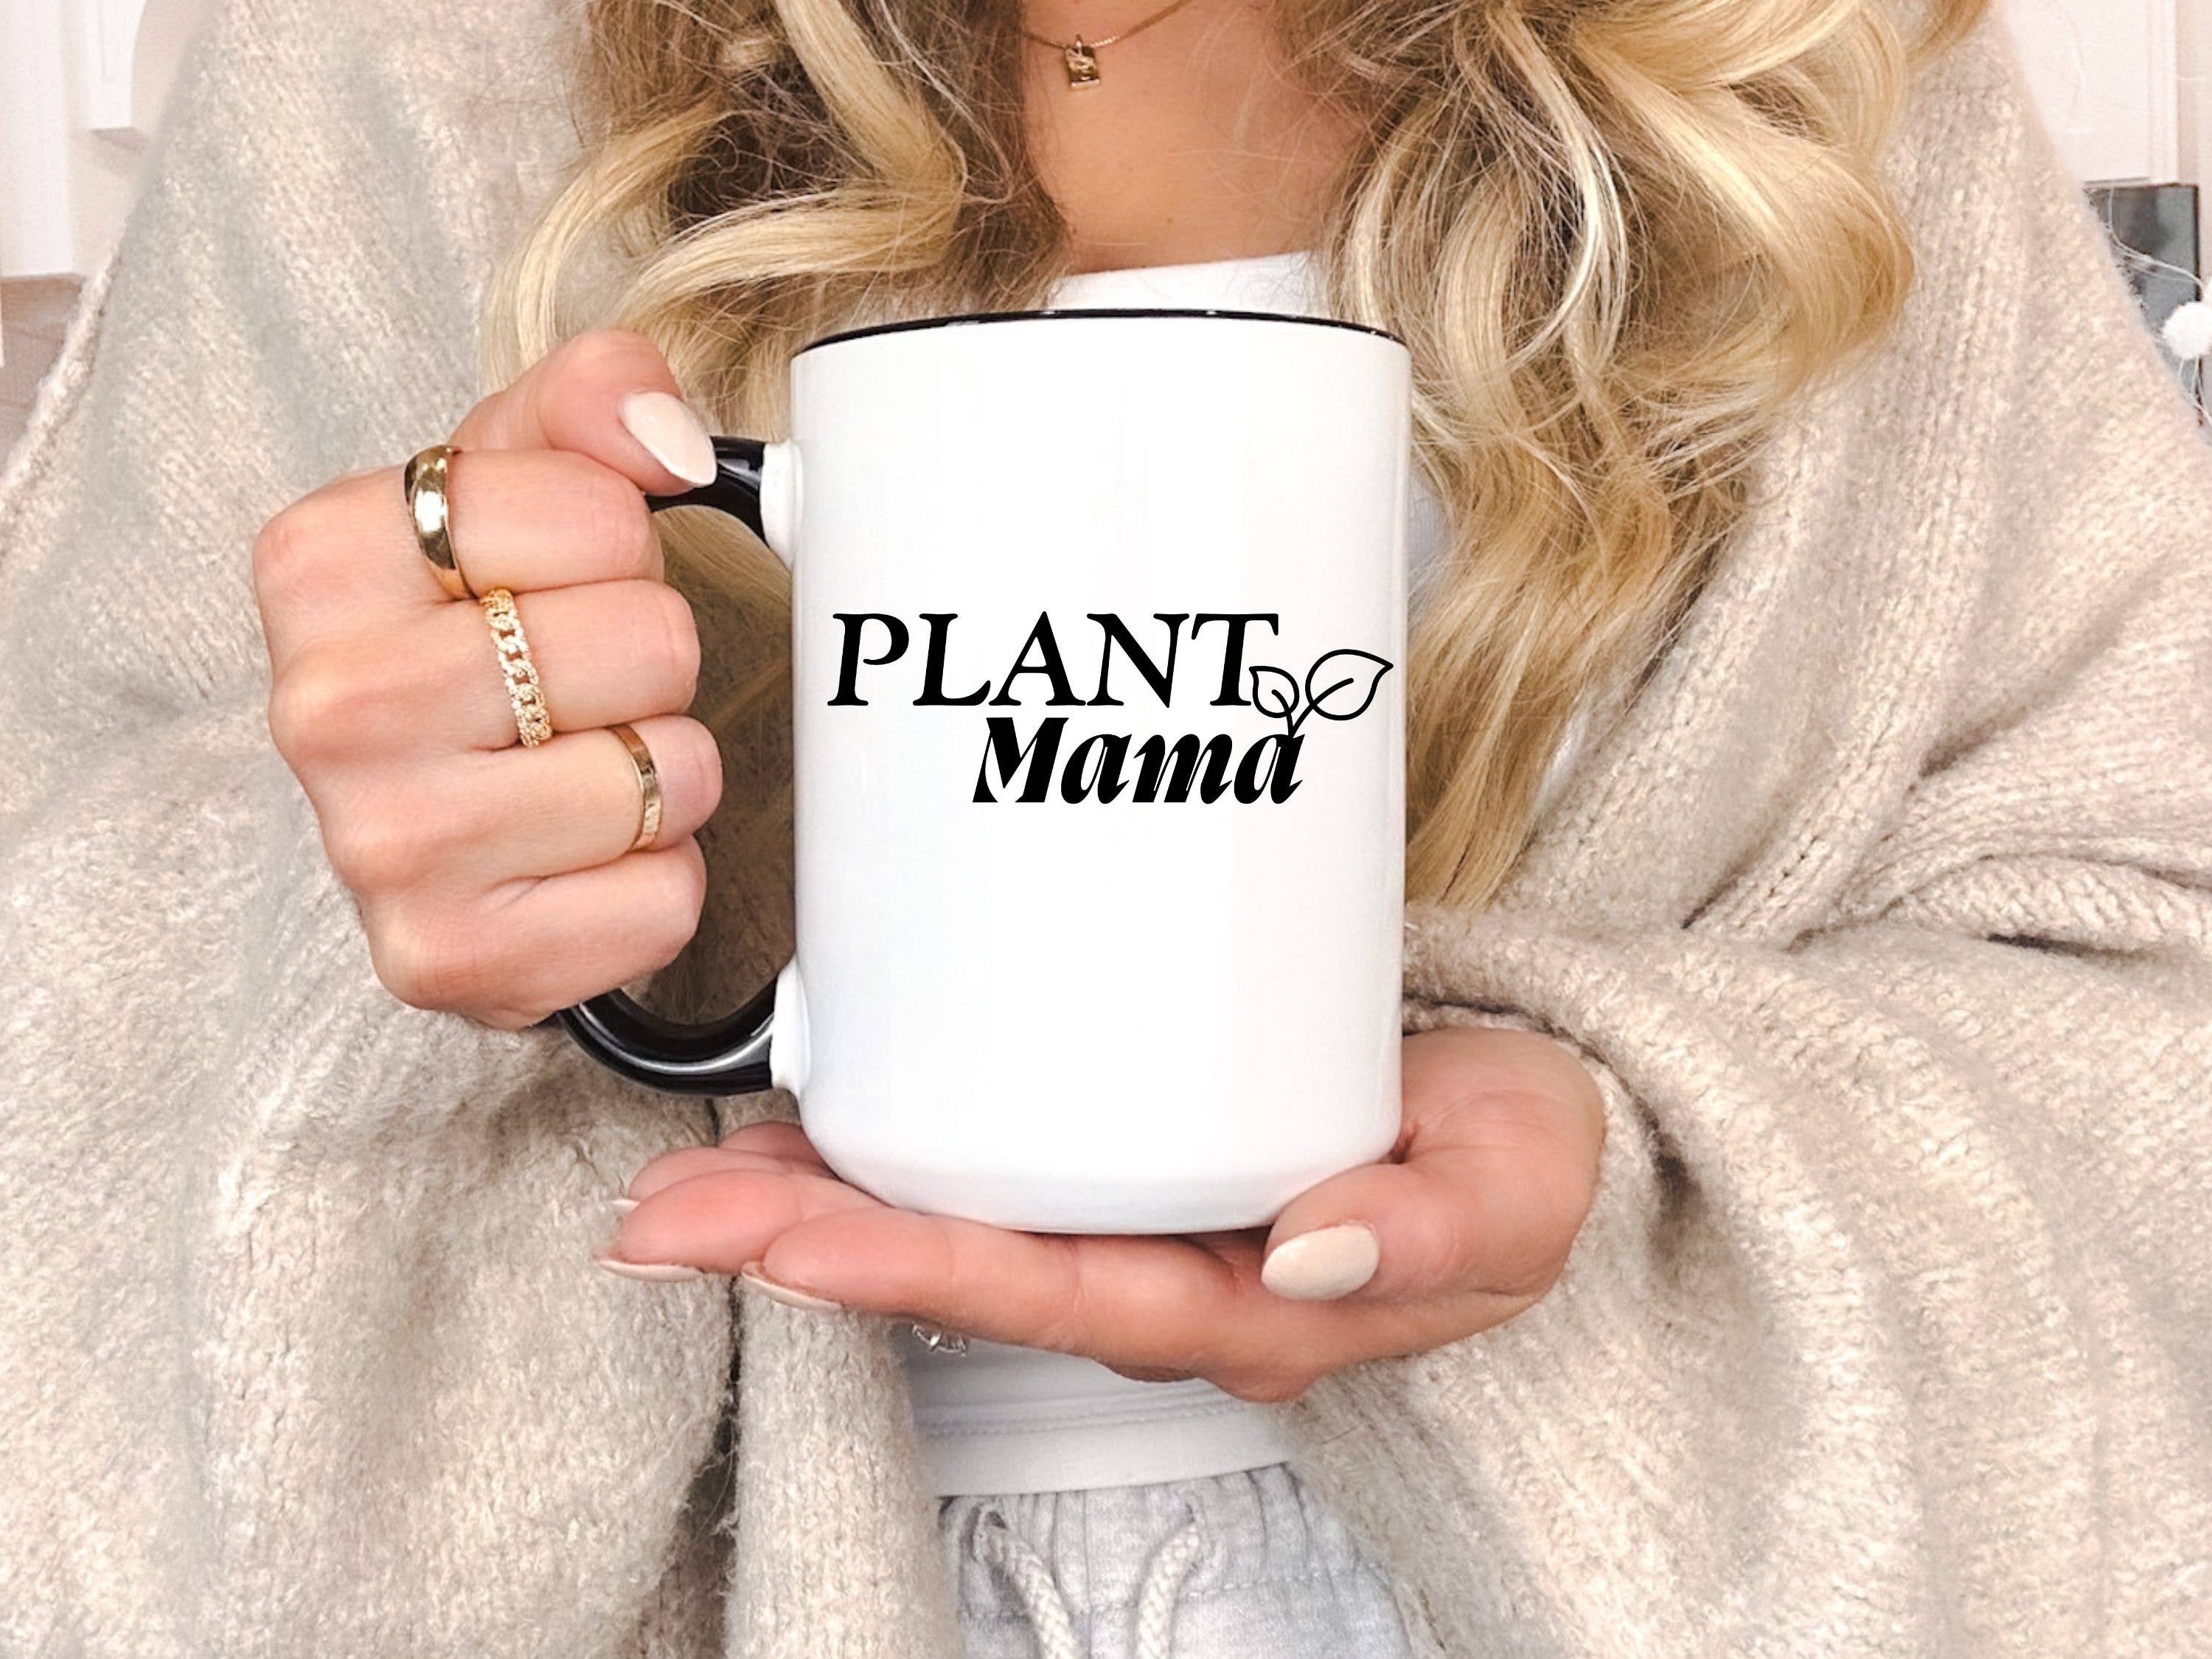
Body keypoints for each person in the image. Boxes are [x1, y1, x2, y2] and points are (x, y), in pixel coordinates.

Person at [2, 0, 2208, 1651]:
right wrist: (388, 874)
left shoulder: (1796, 59)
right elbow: (67, 1056)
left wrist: (1639, 1145)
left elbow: (2152, 987)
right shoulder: (395, 58)